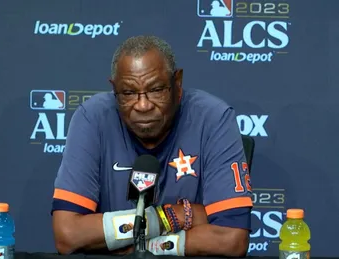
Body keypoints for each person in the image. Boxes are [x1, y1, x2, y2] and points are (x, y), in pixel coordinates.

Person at [51, 35, 253, 257]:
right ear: (114, 88)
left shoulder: (213, 119)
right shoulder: (92, 118)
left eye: (156, 90)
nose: (143, 105)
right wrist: (170, 217)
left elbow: (232, 239)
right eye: (128, 93)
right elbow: (67, 234)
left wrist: (146, 245)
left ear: (178, 82)